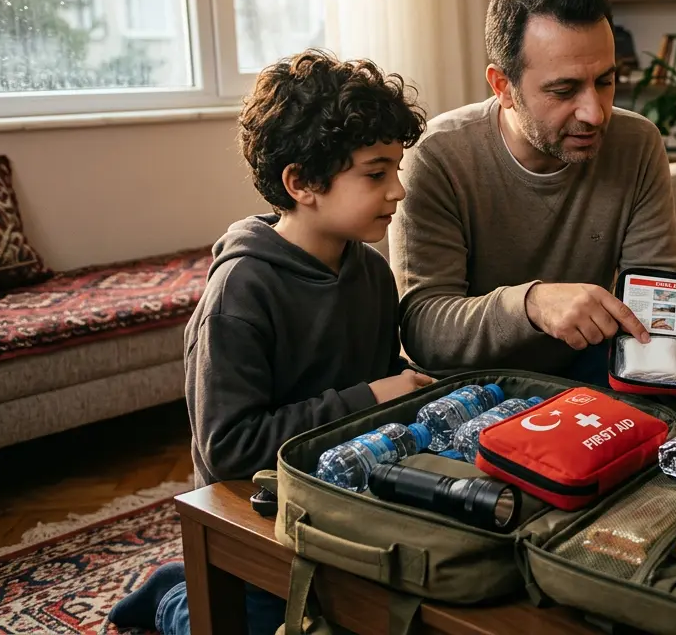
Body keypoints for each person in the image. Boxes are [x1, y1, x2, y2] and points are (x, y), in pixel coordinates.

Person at [107, 50, 432, 634]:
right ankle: (172, 598)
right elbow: (229, 448)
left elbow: (380, 387)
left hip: (337, 496)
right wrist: (371, 398)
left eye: (397, 170)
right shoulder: (241, 292)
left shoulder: (372, 273)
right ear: (301, 183)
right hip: (254, 512)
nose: (399, 191)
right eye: (376, 174)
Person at [392, 0, 676, 380]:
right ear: (502, 86)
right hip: (473, 381)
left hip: (584, 366)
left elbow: (653, 306)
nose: (595, 113)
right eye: (564, 90)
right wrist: (531, 305)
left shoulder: (637, 143)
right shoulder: (437, 156)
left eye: (605, 81)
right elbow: (425, 329)